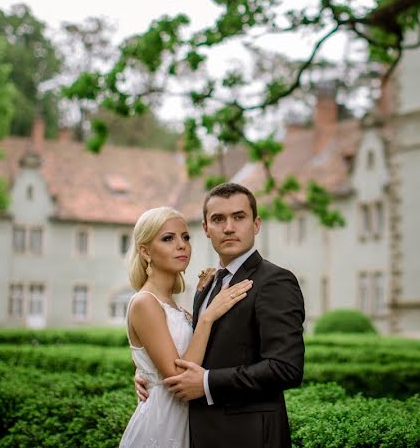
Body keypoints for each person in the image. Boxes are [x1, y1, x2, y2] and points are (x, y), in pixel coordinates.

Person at [135, 183, 306, 448]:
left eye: (239, 217)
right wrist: (149, 376)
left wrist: (206, 383)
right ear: (205, 228)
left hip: (250, 437)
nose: (228, 227)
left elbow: (286, 368)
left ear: (256, 224)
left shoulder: (275, 281)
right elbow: (189, 352)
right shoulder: (208, 285)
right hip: (194, 433)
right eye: (218, 219)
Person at [120, 206, 253, 448]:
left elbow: (188, 353)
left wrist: (204, 299)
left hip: (190, 420)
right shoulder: (144, 302)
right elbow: (180, 379)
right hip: (162, 425)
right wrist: (207, 317)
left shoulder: (175, 306)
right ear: (145, 251)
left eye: (185, 237)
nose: (181, 245)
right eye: (168, 238)